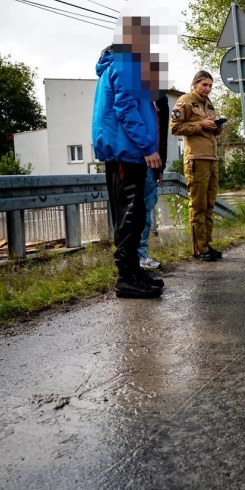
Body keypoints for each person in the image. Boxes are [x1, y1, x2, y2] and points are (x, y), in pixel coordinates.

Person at [91, 15, 164, 298]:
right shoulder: (125, 65)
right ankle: (127, 277)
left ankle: (134, 271)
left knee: (135, 214)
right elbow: (125, 110)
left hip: (128, 151)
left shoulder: (123, 64)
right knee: (130, 216)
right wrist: (148, 147)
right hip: (127, 151)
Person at [170, 70, 224, 261]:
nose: (208, 89)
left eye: (210, 85)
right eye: (204, 85)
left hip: (211, 158)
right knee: (198, 204)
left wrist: (217, 128)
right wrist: (200, 124)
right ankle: (198, 248)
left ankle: (206, 244)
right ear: (195, 84)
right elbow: (174, 128)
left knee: (209, 204)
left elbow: (211, 131)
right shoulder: (184, 102)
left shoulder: (209, 104)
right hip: (196, 160)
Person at [138, 60, 170, 270]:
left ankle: (141, 253)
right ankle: (137, 256)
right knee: (138, 211)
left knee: (147, 210)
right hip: (138, 160)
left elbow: (163, 136)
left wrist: (161, 165)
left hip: (154, 162)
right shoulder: (139, 97)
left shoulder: (162, 101)